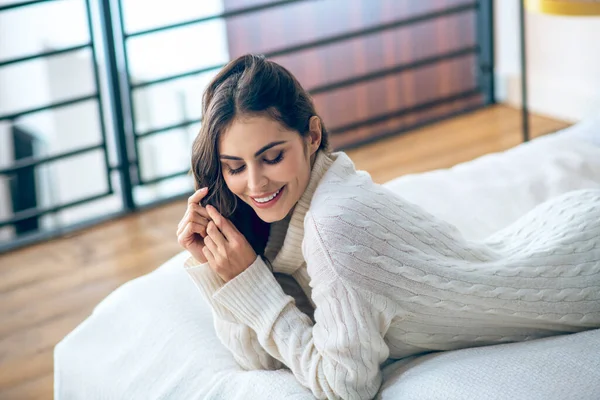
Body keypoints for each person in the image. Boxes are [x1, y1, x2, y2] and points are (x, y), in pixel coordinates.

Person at [176, 54, 600, 400]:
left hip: (581, 264)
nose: (254, 183)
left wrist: (253, 285)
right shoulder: (289, 222)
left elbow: (345, 385)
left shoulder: (332, 228)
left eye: (271, 157)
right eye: (234, 167)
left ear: (312, 135)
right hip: (550, 235)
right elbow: (258, 356)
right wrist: (223, 272)